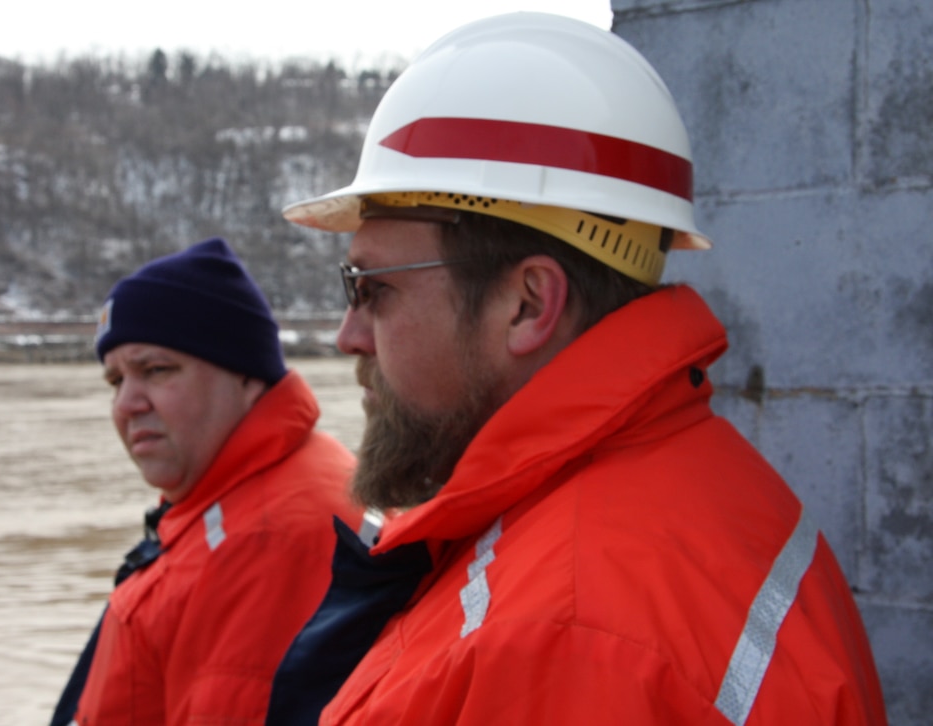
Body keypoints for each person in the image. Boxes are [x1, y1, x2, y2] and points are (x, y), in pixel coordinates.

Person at [265, 12, 888, 726]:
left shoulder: (565, 638)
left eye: (372, 290)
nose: (348, 336)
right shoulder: (678, 491)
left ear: (528, 304)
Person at [50, 237, 362, 726]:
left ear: (245, 375)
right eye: (115, 382)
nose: (126, 405)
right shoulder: (226, 505)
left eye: (155, 370)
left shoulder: (269, 538)